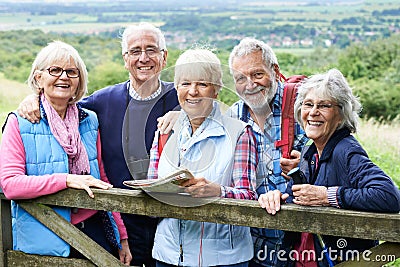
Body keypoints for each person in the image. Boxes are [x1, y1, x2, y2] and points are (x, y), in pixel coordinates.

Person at [17, 22, 179, 266]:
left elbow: (219, 118)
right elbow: (61, 105)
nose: (143, 58)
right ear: (125, 59)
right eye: (135, 51)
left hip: (174, 223)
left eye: (151, 50)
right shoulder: (103, 101)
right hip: (121, 223)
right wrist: (34, 98)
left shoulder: (184, 97)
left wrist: (187, 115)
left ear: (164, 57)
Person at [157, 38, 309, 267]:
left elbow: (332, 157)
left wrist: (305, 164)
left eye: (257, 74)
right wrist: (182, 117)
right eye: (240, 78)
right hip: (252, 240)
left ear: (275, 71)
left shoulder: (303, 110)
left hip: (293, 239)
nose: (250, 84)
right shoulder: (234, 116)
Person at [0, 40, 131, 265]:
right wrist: (67, 180)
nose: (64, 77)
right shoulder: (19, 122)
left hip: (95, 230)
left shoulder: (89, 120)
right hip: (43, 236)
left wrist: (122, 237)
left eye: (72, 71)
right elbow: (10, 185)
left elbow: (102, 178)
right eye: (55, 70)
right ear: (38, 77)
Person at [258, 68, 400, 266]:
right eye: (308, 104)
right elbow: (300, 197)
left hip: (347, 260)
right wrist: (275, 197)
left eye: (324, 105)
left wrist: (327, 196)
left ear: (341, 115)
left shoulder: (346, 151)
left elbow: (389, 195)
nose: (313, 112)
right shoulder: (310, 152)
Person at [147, 48, 258, 267]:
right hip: (167, 255)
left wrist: (218, 192)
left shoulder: (239, 133)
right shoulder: (164, 131)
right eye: (185, 83)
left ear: (216, 89)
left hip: (223, 260)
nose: (193, 91)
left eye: (202, 84)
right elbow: (152, 186)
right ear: (177, 88)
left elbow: (250, 197)